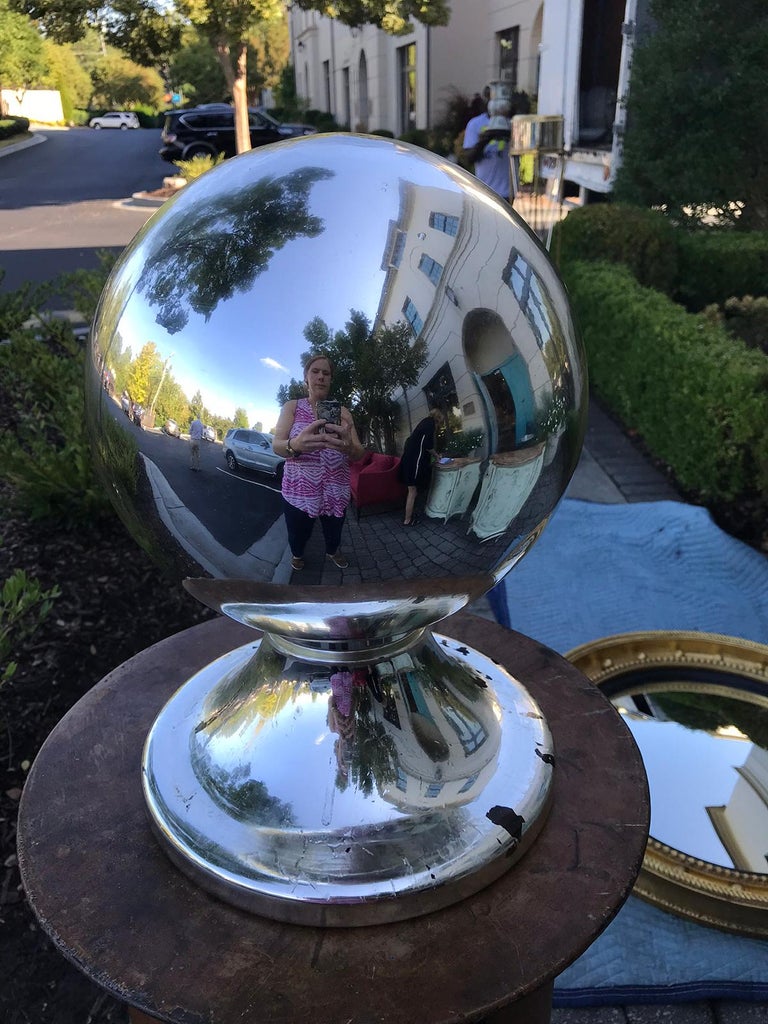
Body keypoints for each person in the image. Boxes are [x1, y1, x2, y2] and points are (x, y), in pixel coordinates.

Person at [273, 354, 365, 571]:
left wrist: (349, 447)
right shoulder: (292, 407)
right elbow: (276, 445)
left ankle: (333, 551)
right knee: (298, 533)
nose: (321, 377)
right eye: (315, 371)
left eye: (326, 373)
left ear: (331, 379)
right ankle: (297, 555)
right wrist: (295, 445)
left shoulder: (342, 413)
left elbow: (359, 452)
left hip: (336, 491)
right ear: (306, 377)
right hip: (298, 493)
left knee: (334, 531)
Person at [461, 85, 512, 202]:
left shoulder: (512, 122)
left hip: (507, 191)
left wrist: (508, 134)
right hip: (484, 191)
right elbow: (469, 157)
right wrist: (486, 139)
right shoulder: (475, 124)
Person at [398, 409, 444, 526]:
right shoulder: (430, 424)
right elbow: (427, 445)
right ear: (438, 419)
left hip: (409, 459)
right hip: (414, 462)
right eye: (440, 422)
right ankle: (408, 520)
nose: (439, 425)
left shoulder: (424, 423)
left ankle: (411, 513)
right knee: (412, 491)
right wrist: (436, 455)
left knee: (412, 490)